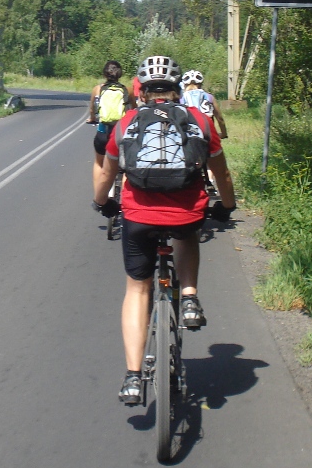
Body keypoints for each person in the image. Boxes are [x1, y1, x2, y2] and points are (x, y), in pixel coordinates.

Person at [91, 55, 236, 405]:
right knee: (187, 233)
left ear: (141, 91)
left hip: (138, 217)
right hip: (186, 212)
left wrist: (102, 203)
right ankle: (189, 298)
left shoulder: (126, 123)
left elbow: (107, 174)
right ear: (177, 89)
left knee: (137, 289)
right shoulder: (199, 120)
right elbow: (222, 173)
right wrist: (227, 206)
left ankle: (132, 377)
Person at [87, 60, 133, 187]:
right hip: (120, 133)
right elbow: (134, 110)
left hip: (103, 132)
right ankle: (123, 194)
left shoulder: (97, 89)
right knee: (126, 167)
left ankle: (98, 193)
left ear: (104, 74)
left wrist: (92, 118)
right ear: (120, 74)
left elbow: (92, 110)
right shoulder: (127, 90)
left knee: (99, 163)